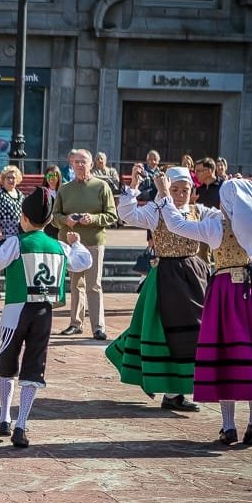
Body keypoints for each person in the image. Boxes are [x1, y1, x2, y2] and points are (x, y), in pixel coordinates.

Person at [156, 175, 252, 446]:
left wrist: (165, 195)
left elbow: (176, 224)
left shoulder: (217, 226)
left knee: (227, 353)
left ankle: (228, 426)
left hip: (229, 292)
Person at [0, 187, 92, 447]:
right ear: (50, 220)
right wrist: (77, 243)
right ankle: (21, 425)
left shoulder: (17, 242)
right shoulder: (59, 246)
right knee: (34, 365)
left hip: (16, 310)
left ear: (23, 218)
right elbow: (83, 262)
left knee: (7, 362)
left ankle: (4, 417)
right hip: (44, 313)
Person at [105, 165, 212, 412]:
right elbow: (127, 214)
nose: (180, 193)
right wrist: (133, 185)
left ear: (193, 190)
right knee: (163, 331)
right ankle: (171, 391)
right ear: (166, 188)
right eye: (175, 189)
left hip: (195, 274)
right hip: (166, 275)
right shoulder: (157, 209)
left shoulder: (199, 211)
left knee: (193, 332)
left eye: (185, 189)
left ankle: (177, 390)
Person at [52, 148, 117, 340]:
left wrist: (94, 219)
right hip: (70, 243)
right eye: (77, 161)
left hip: (93, 242)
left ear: (91, 164)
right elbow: (54, 217)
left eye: (84, 161)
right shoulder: (64, 189)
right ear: (71, 164)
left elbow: (112, 215)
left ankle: (98, 327)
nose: (80, 165)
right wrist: (66, 220)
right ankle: (75, 323)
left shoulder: (101, 186)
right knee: (75, 284)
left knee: (94, 285)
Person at [0, 164, 24, 298]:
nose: (11, 180)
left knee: (13, 262)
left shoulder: (20, 195)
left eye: (14, 178)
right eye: (8, 178)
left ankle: (12, 287)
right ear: (3, 179)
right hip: (1, 233)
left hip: (16, 234)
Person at [42, 165, 63, 239]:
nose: (51, 178)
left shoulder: (63, 191)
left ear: (58, 177)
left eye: (53, 175)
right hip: (46, 226)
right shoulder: (42, 191)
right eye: (48, 175)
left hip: (60, 226)